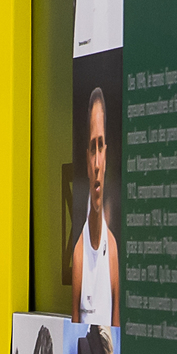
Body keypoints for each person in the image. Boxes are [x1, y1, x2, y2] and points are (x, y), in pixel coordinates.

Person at [71, 85, 120, 324]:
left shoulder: (113, 251)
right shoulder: (79, 252)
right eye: (93, 148)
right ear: (87, 159)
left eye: (101, 146)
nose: (98, 163)